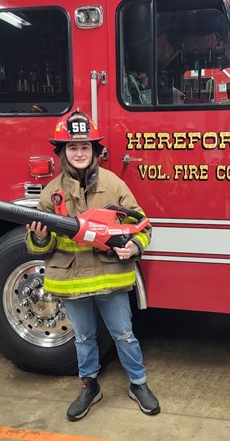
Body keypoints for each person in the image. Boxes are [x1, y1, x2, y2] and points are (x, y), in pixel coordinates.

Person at [25, 108, 160, 421]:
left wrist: (133, 247)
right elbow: (35, 245)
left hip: (110, 278)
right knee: (84, 337)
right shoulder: (51, 194)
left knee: (124, 334)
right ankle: (89, 386)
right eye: (72, 147)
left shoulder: (113, 186)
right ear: (62, 153)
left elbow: (143, 226)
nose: (79, 152)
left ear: (95, 151)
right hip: (70, 281)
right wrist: (41, 238)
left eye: (85, 147)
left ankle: (138, 383)